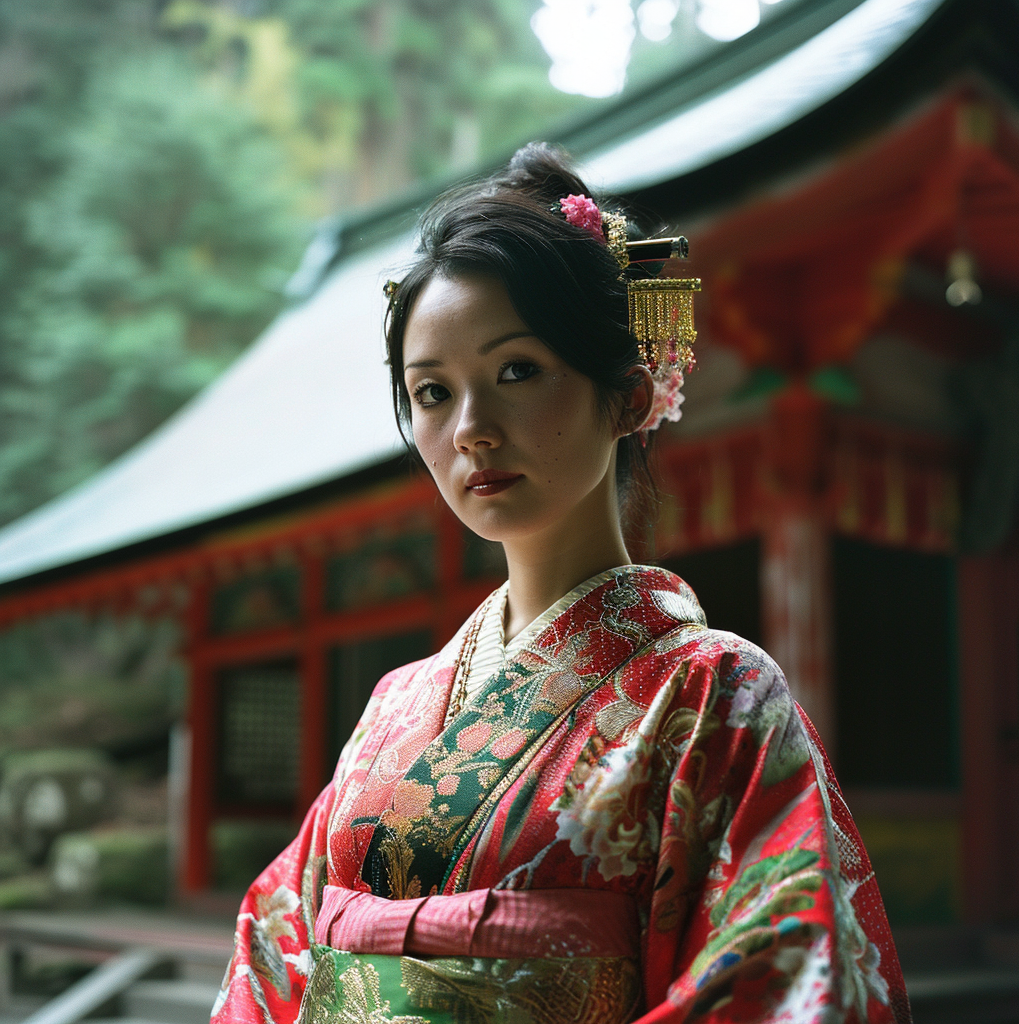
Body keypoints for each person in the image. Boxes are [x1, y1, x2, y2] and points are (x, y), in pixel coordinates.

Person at [211, 144, 910, 1024]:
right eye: (431, 392)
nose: (470, 430)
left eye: (517, 372)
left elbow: (785, 983)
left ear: (626, 397)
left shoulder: (715, 699)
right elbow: (274, 953)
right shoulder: (395, 706)